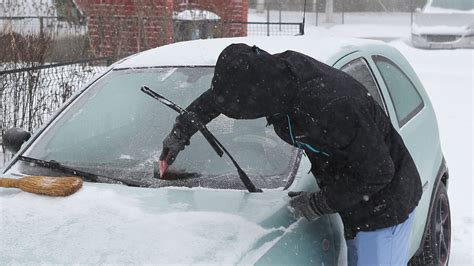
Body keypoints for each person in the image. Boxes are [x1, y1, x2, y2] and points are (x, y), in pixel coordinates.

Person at [158, 43, 422, 265]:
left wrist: (320, 203)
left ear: (257, 97)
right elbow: (221, 96)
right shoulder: (268, 76)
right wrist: (181, 132)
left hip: (384, 207)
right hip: (352, 191)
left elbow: (379, 171)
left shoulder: (329, 104)